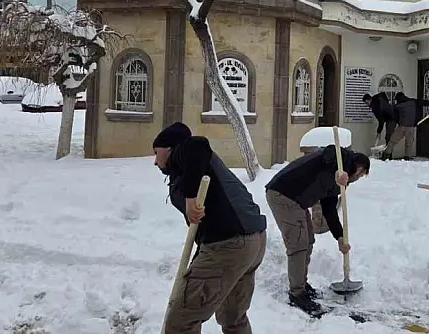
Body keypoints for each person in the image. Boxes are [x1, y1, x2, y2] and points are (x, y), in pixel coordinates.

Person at [152, 122, 268, 334]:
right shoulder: (191, 169)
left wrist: (189, 199)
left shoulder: (186, 152)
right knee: (232, 317)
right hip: (252, 240)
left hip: (231, 242)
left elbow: (197, 144)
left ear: (169, 149)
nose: (154, 160)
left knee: (181, 321)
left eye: (156, 152)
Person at [265, 145, 371, 314]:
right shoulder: (339, 158)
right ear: (359, 169)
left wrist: (340, 237)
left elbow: (329, 208)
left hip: (297, 201)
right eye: (360, 175)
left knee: (308, 239)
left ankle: (302, 284)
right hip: (282, 195)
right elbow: (328, 153)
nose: (357, 179)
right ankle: (297, 294)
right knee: (298, 244)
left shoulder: (338, 183)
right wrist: (338, 171)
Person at [382, 91, 429, 161]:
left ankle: (386, 156)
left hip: (401, 127)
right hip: (411, 127)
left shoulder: (397, 106)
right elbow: (424, 102)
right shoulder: (413, 102)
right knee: (409, 144)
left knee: (392, 141)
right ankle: (407, 158)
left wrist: (398, 123)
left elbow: (395, 117)